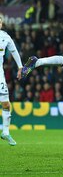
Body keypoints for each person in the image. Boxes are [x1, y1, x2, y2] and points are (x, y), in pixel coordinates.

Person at [0, 17, 23, 146]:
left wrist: (20, 67)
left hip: (0, 76)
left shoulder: (5, 37)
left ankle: (6, 132)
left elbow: (14, 51)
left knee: (6, 104)